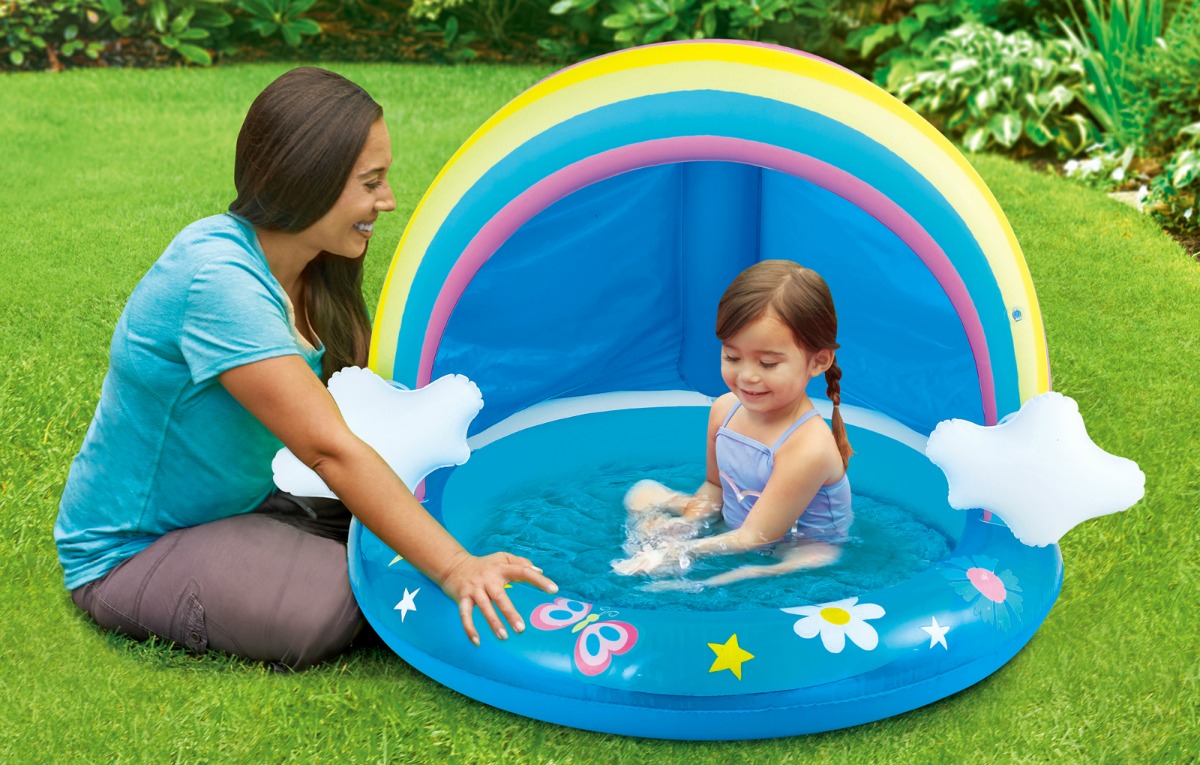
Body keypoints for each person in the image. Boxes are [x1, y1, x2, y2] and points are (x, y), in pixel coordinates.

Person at [53, 67, 556, 670]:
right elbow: (327, 449)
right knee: (341, 601)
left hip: (242, 505)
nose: (389, 201)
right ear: (307, 181)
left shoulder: (312, 268)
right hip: (133, 551)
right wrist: (453, 567)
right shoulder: (219, 281)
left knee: (410, 530)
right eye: (371, 183)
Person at [614, 259, 852, 586]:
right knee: (642, 493)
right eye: (732, 357)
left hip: (794, 545)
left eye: (767, 363)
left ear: (818, 361)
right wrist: (688, 524)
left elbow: (756, 536)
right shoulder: (725, 410)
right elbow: (715, 487)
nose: (747, 376)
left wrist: (679, 552)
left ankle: (704, 581)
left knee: (751, 572)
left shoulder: (808, 447)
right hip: (738, 524)